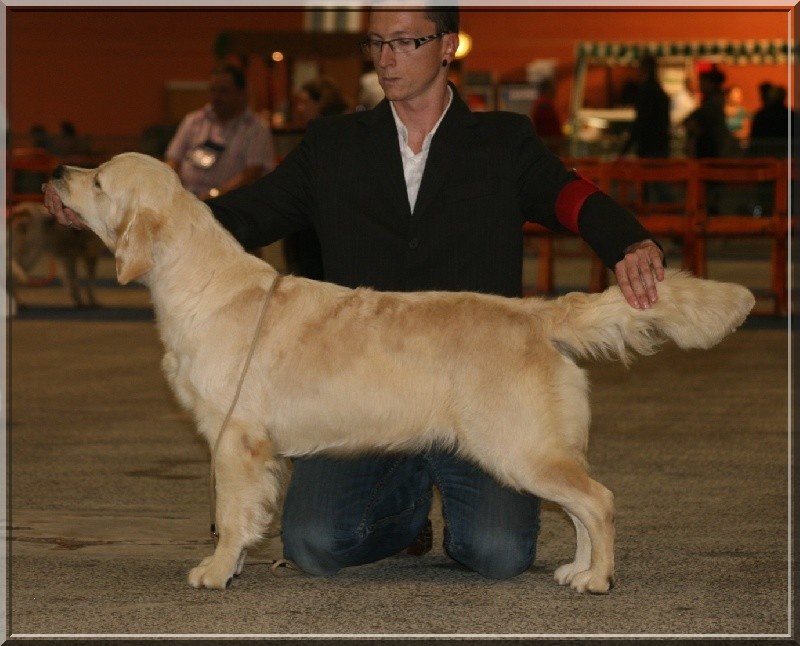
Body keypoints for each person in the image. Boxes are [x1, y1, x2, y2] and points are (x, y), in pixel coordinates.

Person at [45, 6, 664, 581]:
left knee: (496, 553)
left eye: (405, 41)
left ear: (447, 46)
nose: (386, 57)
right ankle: (406, 518)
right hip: (358, 395)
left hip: (476, 377)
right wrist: (118, 215)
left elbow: (568, 195)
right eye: (376, 42)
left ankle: (453, 494)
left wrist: (627, 242)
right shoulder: (334, 145)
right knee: (314, 544)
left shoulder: (502, 140)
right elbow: (247, 215)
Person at [165, 64, 276, 201]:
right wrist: (177, 190)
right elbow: (173, 159)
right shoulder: (193, 120)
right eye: (213, 90)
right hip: (185, 199)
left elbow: (252, 174)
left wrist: (214, 195)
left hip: (228, 204)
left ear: (242, 94)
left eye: (224, 91)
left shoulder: (257, 129)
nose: (216, 97)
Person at [284, 77, 350, 279]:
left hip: (326, 234)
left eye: (304, 102)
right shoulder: (314, 136)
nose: (299, 108)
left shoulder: (338, 137)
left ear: (321, 103)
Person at [619, 54, 670, 159]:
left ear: (644, 69)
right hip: (661, 149)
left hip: (648, 149)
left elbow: (641, 121)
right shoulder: (660, 92)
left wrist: (624, 150)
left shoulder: (646, 91)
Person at [683, 65, 736, 159]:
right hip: (716, 148)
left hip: (712, 149)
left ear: (710, 83)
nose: (700, 85)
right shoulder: (715, 100)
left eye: (702, 82)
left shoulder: (713, 102)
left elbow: (696, 119)